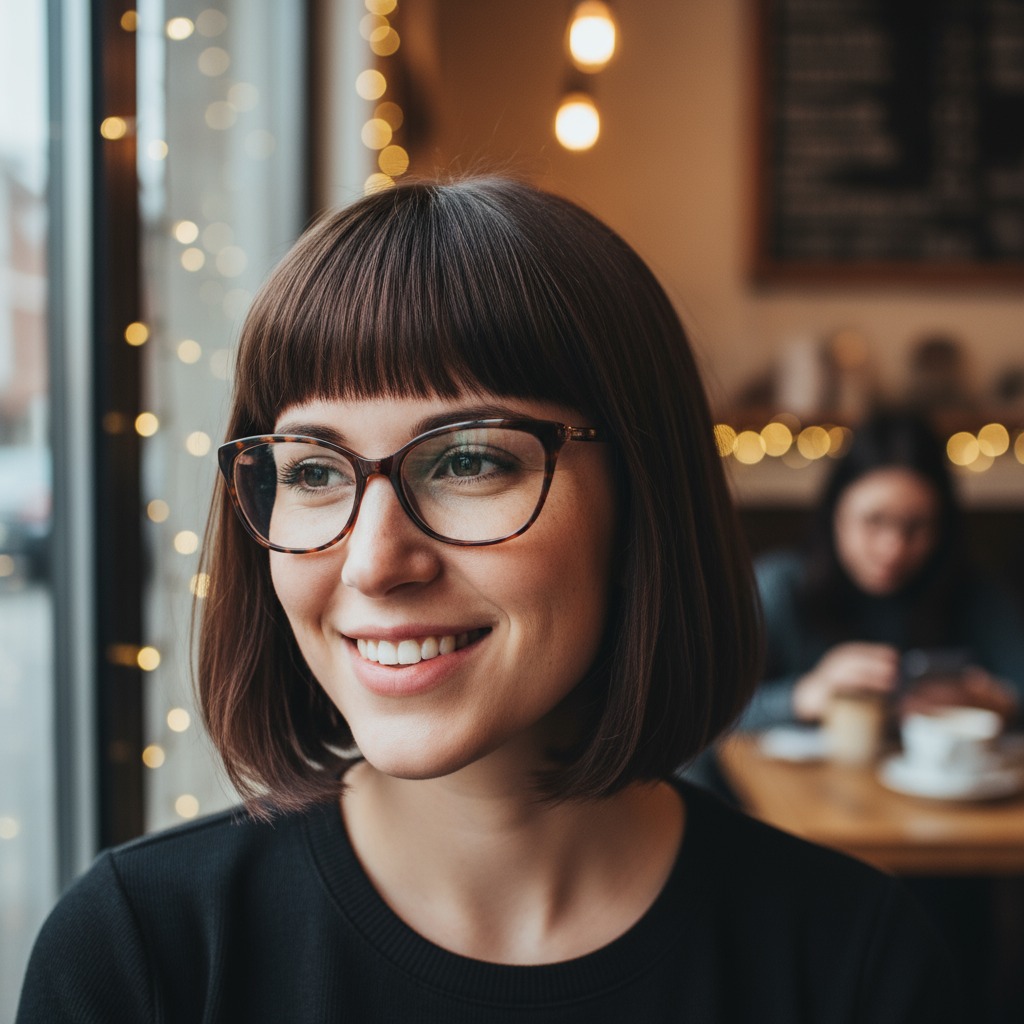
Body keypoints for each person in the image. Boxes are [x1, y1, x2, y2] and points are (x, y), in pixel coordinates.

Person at [17, 178, 963, 1022]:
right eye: (312, 471)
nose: (374, 562)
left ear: (645, 500)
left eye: (469, 460)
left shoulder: (853, 964)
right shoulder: (142, 955)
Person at [742, 411, 1024, 732]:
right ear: (836, 514)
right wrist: (803, 695)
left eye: (916, 526)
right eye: (874, 520)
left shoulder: (974, 592)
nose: (893, 548)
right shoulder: (779, 586)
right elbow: (704, 719)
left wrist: (995, 702)